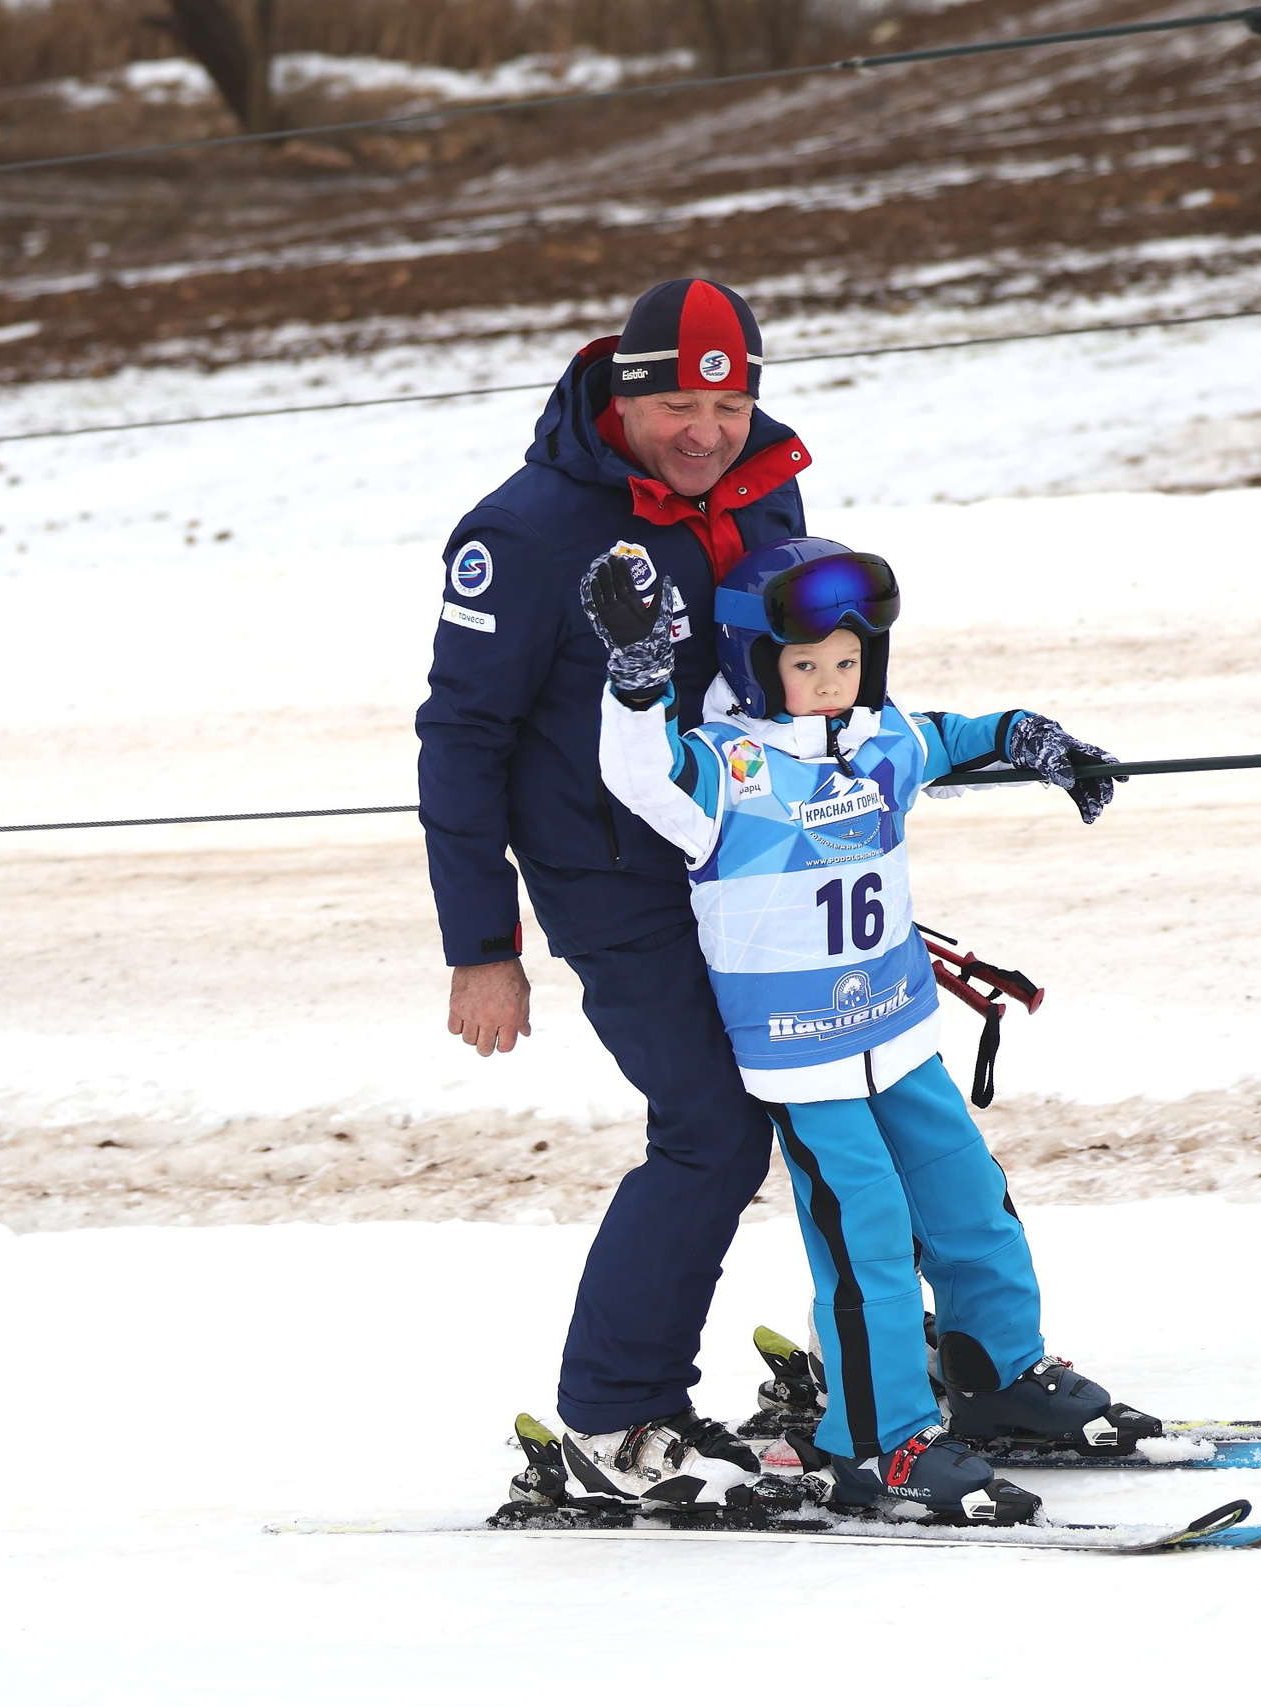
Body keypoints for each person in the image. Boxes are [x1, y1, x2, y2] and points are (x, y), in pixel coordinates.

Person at [583, 535, 1160, 1524]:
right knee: (869, 1244)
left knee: (972, 1202)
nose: (828, 682)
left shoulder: (885, 741)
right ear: (758, 667)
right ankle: (878, 1444)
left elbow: (965, 731)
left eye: (846, 663)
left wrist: (1042, 743)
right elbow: (636, 771)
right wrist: (636, 677)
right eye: (803, 666)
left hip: (898, 1036)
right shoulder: (729, 771)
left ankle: (996, 1373)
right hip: (802, 1058)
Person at [416, 279, 815, 1506]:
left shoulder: (764, 491)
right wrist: (484, 943)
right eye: (678, 404)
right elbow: (460, 737)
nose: (706, 431)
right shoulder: (527, 531)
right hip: (610, 880)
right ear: (623, 392)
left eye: (731, 398)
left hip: (756, 857)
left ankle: (875, 1369)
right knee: (710, 1127)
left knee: (833, 1093)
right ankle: (614, 1416)